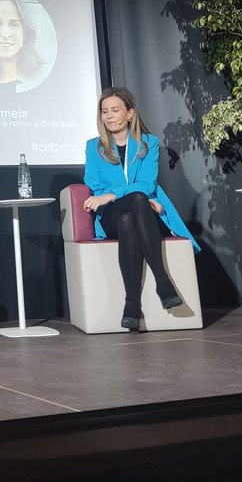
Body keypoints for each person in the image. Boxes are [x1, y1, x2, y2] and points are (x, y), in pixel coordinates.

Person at [82, 87, 200, 332]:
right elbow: (94, 184)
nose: (109, 116)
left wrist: (116, 193)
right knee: (133, 202)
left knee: (129, 218)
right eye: (104, 111)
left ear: (130, 113)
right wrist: (135, 196)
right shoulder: (94, 147)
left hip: (143, 214)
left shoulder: (149, 143)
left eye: (115, 110)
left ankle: (131, 306)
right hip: (109, 216)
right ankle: (163, 282)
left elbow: (147, 183)